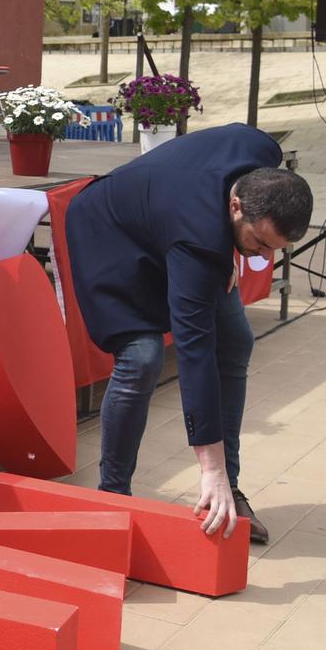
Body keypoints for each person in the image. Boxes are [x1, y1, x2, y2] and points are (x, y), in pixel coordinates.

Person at [63, 124, 312, 546]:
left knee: (236, 340)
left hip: (175, 218)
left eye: (273, 250)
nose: (263, 257)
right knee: (141, 357)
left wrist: (235, 246)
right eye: (258, 243)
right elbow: (195, 351)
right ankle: (114, 496)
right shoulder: (200, 239)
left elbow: (232, 146)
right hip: (110, 232)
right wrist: (207, 466)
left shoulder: (260, 151)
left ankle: (228, 489)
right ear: (236, 206)